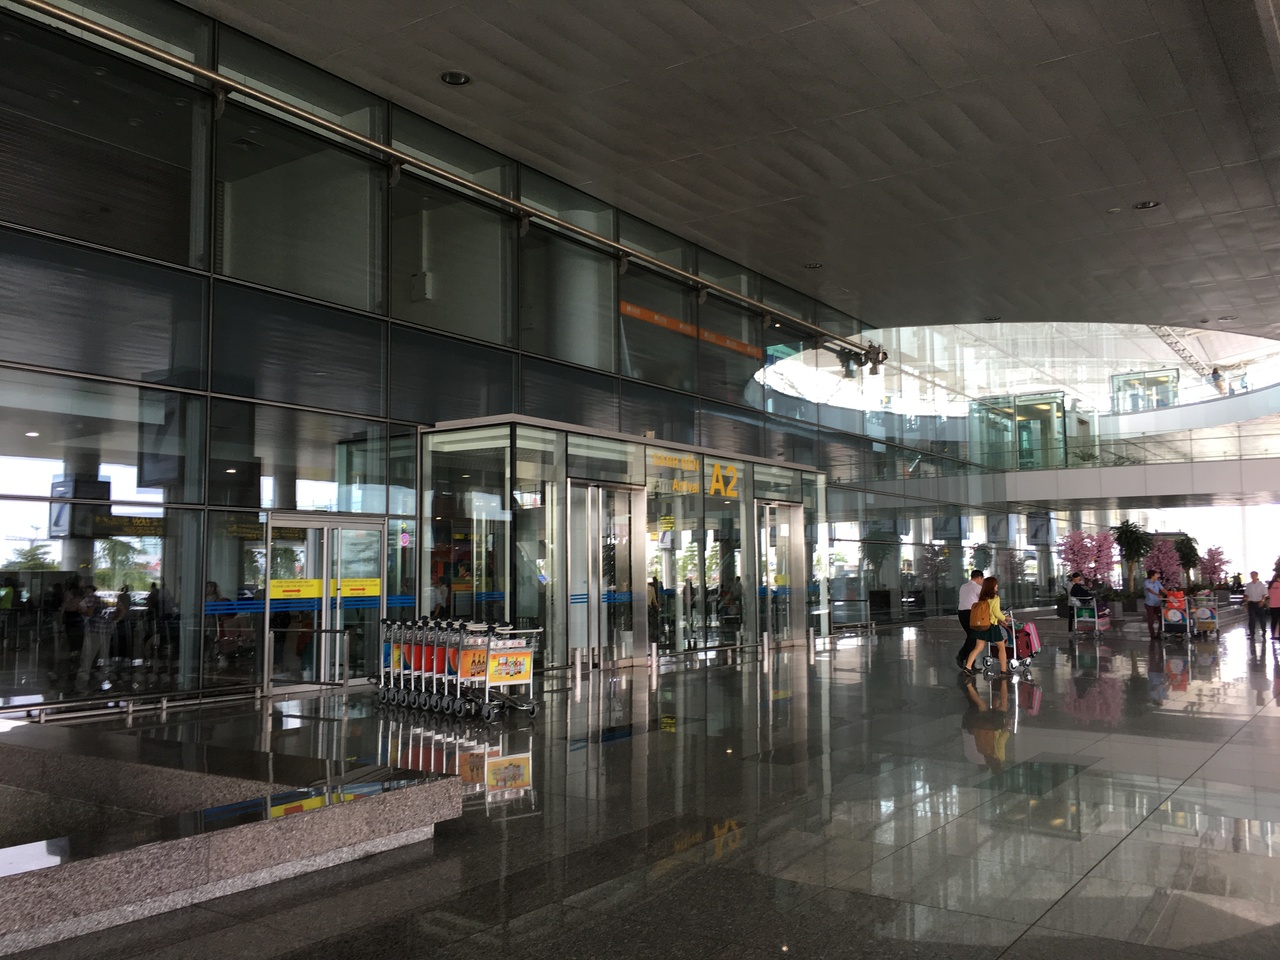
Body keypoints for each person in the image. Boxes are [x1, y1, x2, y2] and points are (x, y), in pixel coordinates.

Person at [962, 576, 1011, 676]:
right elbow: (996, 612)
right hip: (991, 626)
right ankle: (1003, 670)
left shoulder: (982, 598)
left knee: (978, 647)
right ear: (992, 586)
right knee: (1001, 647)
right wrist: (1005, 618)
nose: (997, 586)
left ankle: (968, 667)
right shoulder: (995, 598)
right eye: (996, 584)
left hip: (982, 625)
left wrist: (1000, 620)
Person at [955, 569, 983, 669]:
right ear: (979, 578)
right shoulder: (978, 587)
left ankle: (969, 663)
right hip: (971, 613)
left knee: (971, 636)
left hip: (961, 613)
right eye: (981, 579)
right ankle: (962, 656)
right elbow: (983, 600)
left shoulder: (963, 586)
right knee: (973, 636)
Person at [1243, 570, 1268, 641]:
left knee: (1262, 618)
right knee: (1252, 618)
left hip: (1259, 602)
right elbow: (1246, 595)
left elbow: (1264, 594)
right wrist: (1246, 603)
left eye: (1254, 575)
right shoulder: (1249, 585)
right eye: (1251, 575)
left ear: (1257, 576)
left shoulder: (1261, 585)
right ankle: (1251, 633)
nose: (1252, 576)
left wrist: (1262, 601)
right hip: (1251, 603)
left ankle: (1263, 631)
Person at [1143, 569, 1166, 641]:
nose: (1157, 576)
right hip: (1149, 604)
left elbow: (1163, 590)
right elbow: (1149, 590)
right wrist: (1157, 595)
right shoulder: (1146, 582)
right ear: (1152, 575)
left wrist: (1171, 595)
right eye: (1156, 574)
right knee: (1151, 619)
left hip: (1157, 603)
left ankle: (1159, 634)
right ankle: (1152, 635)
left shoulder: (1157, 582)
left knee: (1161, 619)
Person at [1268, 574, 1280, 641]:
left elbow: (1268, 595)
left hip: (1272, 605)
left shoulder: (1270, 585)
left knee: (1273, 621)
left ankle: (1273, 635)